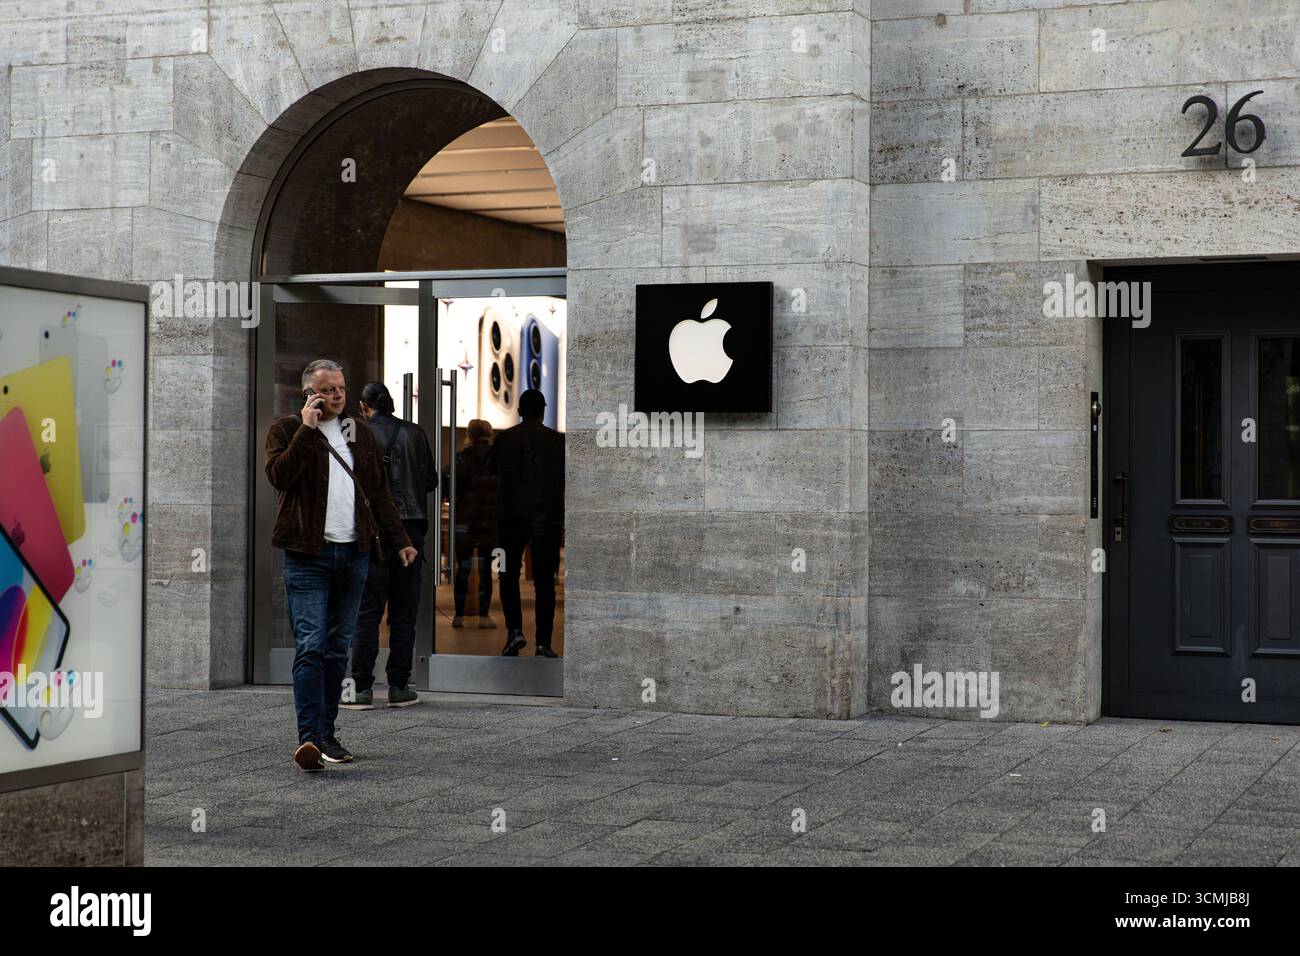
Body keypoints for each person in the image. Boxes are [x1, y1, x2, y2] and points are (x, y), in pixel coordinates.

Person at [265, 360, 417, 772]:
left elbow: (378, 493)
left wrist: (399, 541)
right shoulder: (285, 430)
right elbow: (279, 476)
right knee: (311, 646)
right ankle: (308, 738)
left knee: (336, 650)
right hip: (307, 556)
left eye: (341, 388)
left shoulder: (358, 432)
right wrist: (306, 429)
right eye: (328, 390)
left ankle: (327, 733)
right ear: (309, 394)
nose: (337, 395)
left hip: (353, 555)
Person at [345, 382, 436, 711]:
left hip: (374, 530)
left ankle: (361, 688)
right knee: (404, 609)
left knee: (367, 610)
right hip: (411, 528)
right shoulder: (415, 433)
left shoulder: (360, 433)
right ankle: (399, 685)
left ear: (362, 405)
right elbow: (430, 481)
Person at [489, 388, 564, 657]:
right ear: (544, 411)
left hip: (510, 521)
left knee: (508, 576)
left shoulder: (504, 439)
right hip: (546, 521)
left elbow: (491, 469)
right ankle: (543, 642)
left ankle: (515, 632)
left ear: (519, 411)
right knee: (545, 582)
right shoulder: (557, 442)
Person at [452, 419, 499, 629]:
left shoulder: (461, 459)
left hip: (464, 522)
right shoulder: (497, 459)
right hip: (489, 523)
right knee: (486, 571)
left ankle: (459, 616)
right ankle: (483, 617)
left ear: (469, 435)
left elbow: (454, 490)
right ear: (489, 434)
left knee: (462, 569)